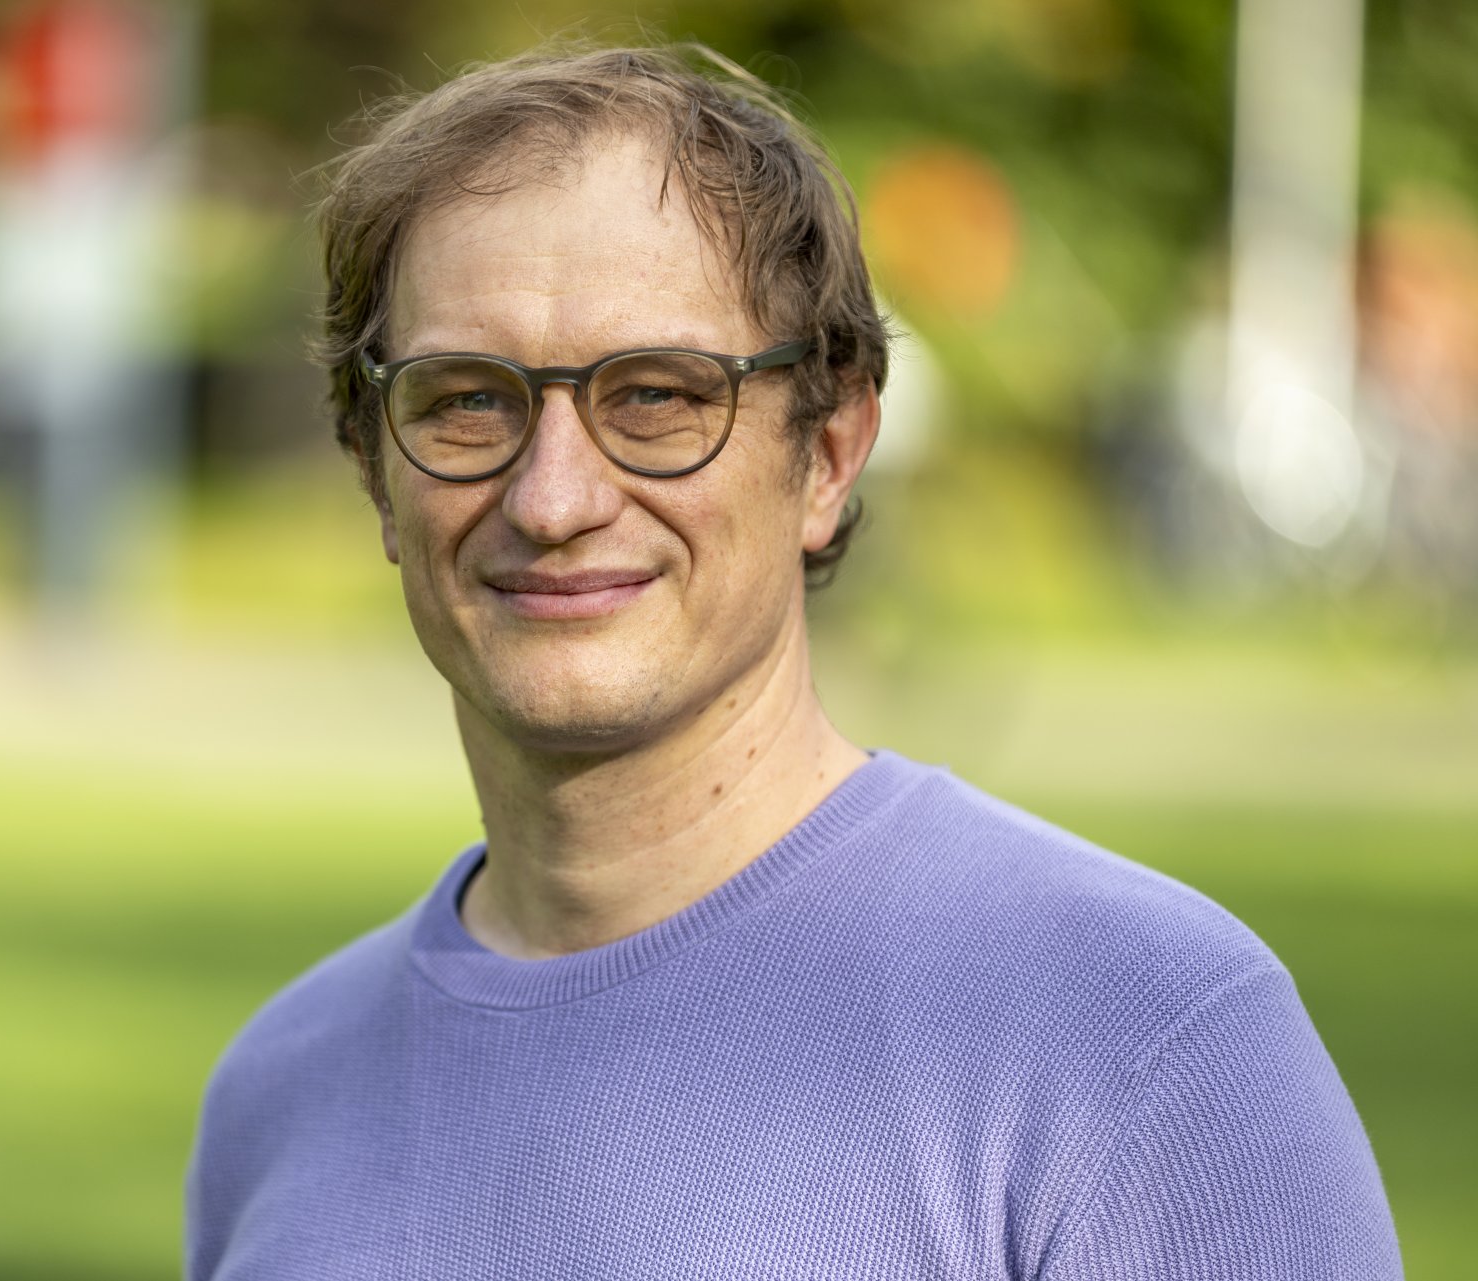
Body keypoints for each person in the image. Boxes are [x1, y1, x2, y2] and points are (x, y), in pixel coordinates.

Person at [184, 43, 1400, 1280]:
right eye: (468, 401)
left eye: (656, 396)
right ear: (372, 472)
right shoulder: (279, 1096)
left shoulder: (1141, 1043)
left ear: (826, 453)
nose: (552, 498)